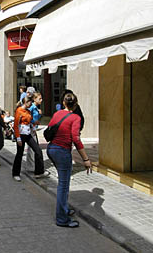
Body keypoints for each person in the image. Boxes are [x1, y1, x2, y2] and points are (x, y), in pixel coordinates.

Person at [47, 93, 92, 228]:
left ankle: (64, 209)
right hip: (62, 152)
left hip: (51, 149)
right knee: (63, 186)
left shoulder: (57, 114)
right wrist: (86, 159)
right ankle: (61, 218)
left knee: (62, 183)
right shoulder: (76, 118)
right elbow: (76, 139)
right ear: (76, 104)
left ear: (63, 103)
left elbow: (50, 128)